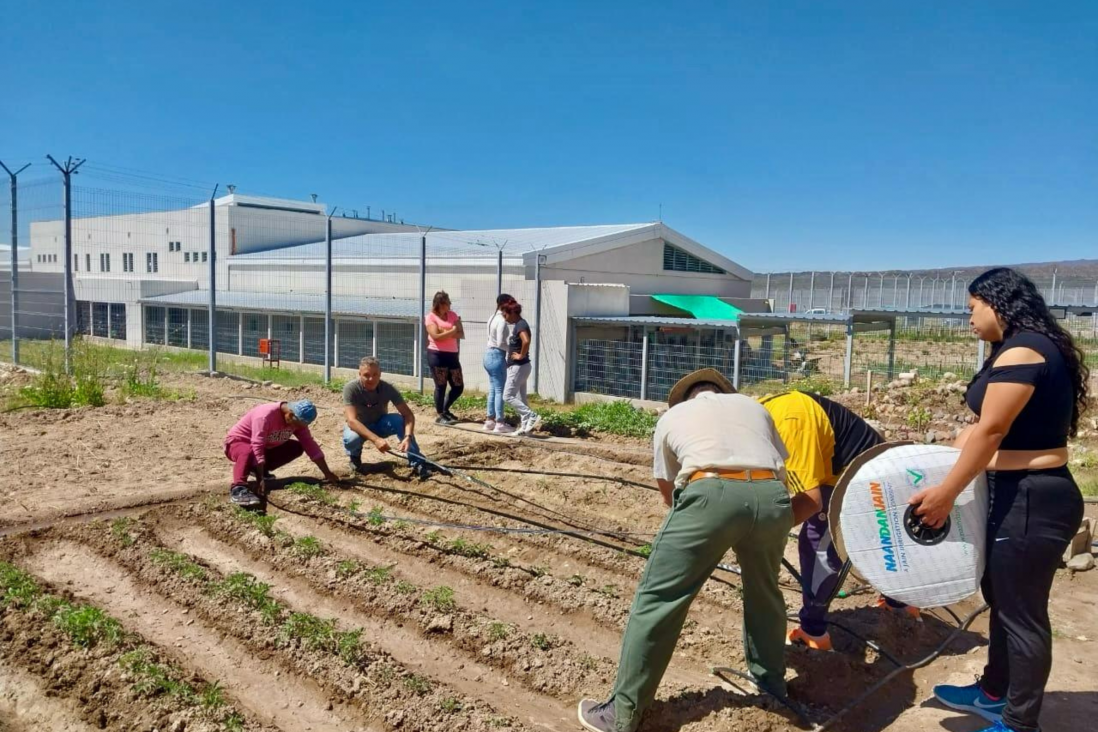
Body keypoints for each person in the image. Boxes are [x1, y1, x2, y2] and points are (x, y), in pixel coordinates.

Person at [911, 268, 1089, 732]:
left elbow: (993, 429)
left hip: (1034, 498)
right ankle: (994, 692)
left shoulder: (1026, 347)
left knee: (1022, 614)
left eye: (973, 308)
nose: (968, 318)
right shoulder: (1018, 348)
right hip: (1018, 493)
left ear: (997, 302)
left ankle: (1018, 722)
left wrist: (947, 493)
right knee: (1003, 597)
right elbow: (982, 428)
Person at [578, 368, 794, 732]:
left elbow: (668, 492)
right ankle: (772, 686)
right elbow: (777, 463)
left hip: (710, 493)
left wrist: (708, 521)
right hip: (773, 497)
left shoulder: (672, 416)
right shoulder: (752, 406)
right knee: (765, 592)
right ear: (721, 392)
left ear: (687, 398)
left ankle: (622, 714)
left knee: (660, 598)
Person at [760, 390, 918, 653]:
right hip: (854, 463)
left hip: (858, 472)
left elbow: (810, 500)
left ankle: (813, 634)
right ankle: (900, 603)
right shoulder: (761, 411)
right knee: (880, 537)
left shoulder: (789, 422)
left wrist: (765, 530)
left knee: (819, 540)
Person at [224, 399, 340, 509]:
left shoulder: (297, 420)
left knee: (296, 447)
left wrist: (327, 472)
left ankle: (257, 469)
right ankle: (239, 488)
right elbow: (257, 444)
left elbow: (309, 444)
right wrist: (260, 479)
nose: (298, 428)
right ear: (289, 415)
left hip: (264, 447)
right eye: (298, 425)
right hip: (238, 443)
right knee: (248, 450)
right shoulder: (265, 416)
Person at [343, 356, 432, 480]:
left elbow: (408, 415)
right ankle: (355, 458)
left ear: (380, 374)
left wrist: (407, 437)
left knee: (399, 420)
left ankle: (417, 462)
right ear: (359, 374)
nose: (371, 379)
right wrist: (376, 440)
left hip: (380, 423)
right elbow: (352, 421)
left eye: (375, 374)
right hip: (360, 426)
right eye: (366, 375)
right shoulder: (351, 388)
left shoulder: (388, 388)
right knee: (351, 438)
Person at [424, 290, 464, 425]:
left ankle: (445, 409)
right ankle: (440, 414)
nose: (450, 305)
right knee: (441, 385)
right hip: (437, 355)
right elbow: (435, 337)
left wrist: (444, 332)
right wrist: (452, 330)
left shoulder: (452, 315)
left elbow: (461, 333)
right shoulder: (430, 317)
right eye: (447, 303)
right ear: (440, 304)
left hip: (452, 355)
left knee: (458, 386)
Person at [501, 300, 541, 435]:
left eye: (505, 315)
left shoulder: (521, 325)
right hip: (521, 367)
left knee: (507, 396)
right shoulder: (518, 325)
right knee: (521, 399)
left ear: (512, 312)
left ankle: (531, 415)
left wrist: (521, 355)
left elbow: (526, 340)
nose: (504, 318)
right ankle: (525, 429)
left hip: (518, 367)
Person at [484, 293, 516, 434]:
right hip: (497, 355)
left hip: (488, 355)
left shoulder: (491, 317)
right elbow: (500, 342)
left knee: (493, 389)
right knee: (500, 390)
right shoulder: (502, 321)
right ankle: (500, 423)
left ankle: (489, 420)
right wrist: (512, 350)